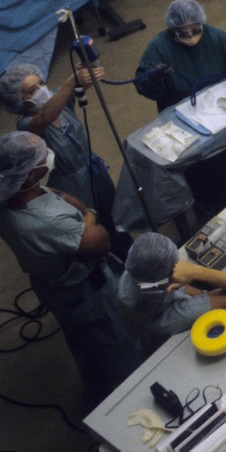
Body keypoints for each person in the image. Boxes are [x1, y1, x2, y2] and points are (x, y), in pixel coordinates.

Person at [0, 132, 142, 404]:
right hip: (85, 292)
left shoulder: (12, 192)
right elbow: (100, 242)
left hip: (54, 289)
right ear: (29, 176)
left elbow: (52, 193)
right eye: (42, 157)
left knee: (81, 342)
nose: (49, 156)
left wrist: (71, 205)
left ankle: (96, 389)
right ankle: (134, 397)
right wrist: (89, 215)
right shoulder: (47, 222)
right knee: (119, 344)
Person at [135, 0, 226, 216]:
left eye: (195, 30)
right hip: (182, 111)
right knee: (195, 159)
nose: (191, 37)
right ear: (172, 29)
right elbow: (143, 85)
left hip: (219, 105)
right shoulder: (159, 47)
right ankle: (203, 196)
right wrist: (154, 77)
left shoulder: (215, 36)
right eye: (183, 33)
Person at [0, 62, 130, 257]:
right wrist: (70, 82)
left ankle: (127, 250)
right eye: (32, 91)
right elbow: (44, 117)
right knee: (88, 225)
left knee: (112, 212)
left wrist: (85, 68)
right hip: (71, 182)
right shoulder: (26, 125)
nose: (42, 91)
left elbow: (77, 87)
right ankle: (108, 261)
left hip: (93, 167)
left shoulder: (57, 100)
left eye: (41, 83)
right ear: (18, 101)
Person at [116, 232, 226, 358]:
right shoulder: (169, 319)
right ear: (172, 281)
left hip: (145, 333)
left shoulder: (132, 275)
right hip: (170, 345)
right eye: (177, 264)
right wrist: (196, 271)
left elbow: (172, 286)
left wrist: (199, 292)